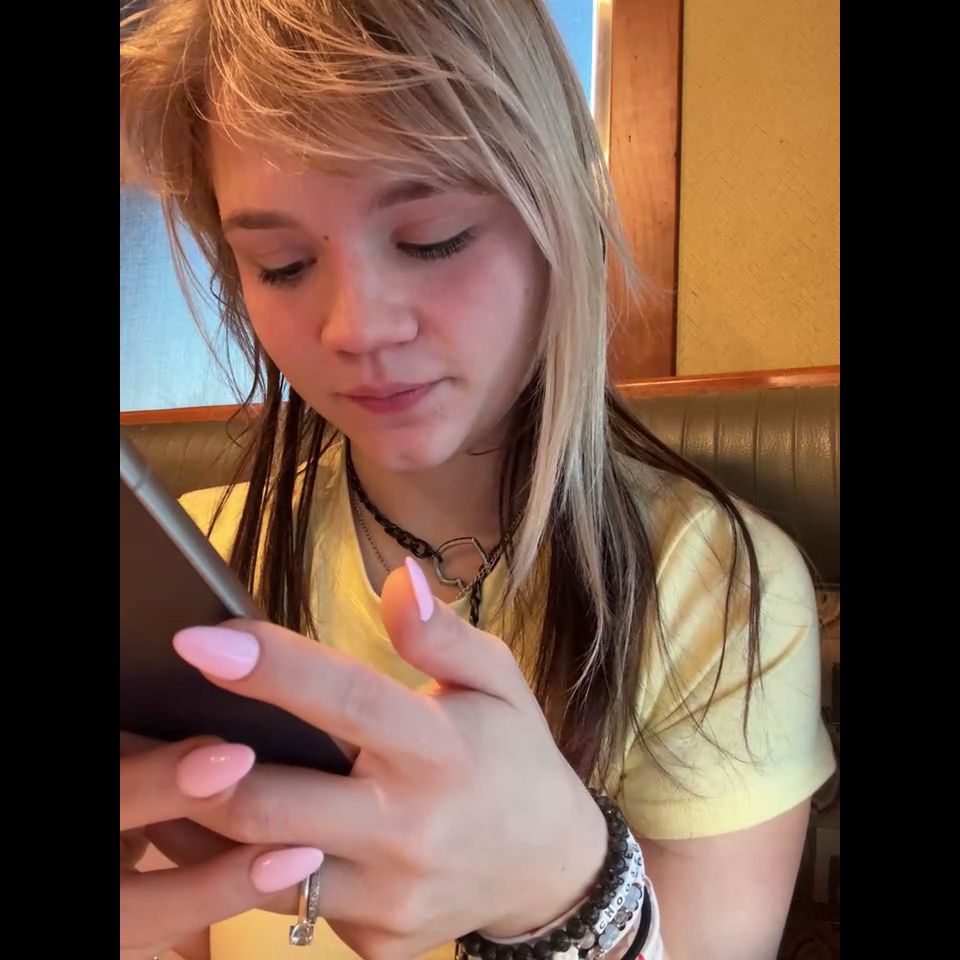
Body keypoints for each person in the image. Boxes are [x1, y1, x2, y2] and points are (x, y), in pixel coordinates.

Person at [119, 2, 836, 958]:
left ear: (561, 215)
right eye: (281, 264)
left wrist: (570, 896)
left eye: (434, 238)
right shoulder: (196, 567)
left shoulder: (713, 587)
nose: (357, 327)